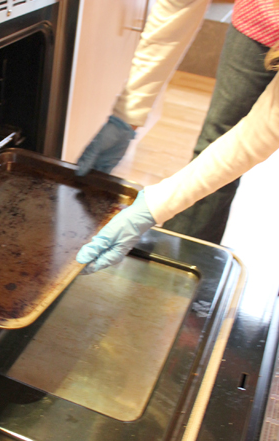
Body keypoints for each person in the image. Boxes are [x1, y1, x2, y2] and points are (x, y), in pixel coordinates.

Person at [75, 0, 279, 273]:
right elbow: (177, 5)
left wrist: (153, 207)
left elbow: (262, 131)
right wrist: (127, 114)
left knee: (224, 156)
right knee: (215, 142)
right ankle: (170, 266)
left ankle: (178, 272)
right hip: (257, 17)